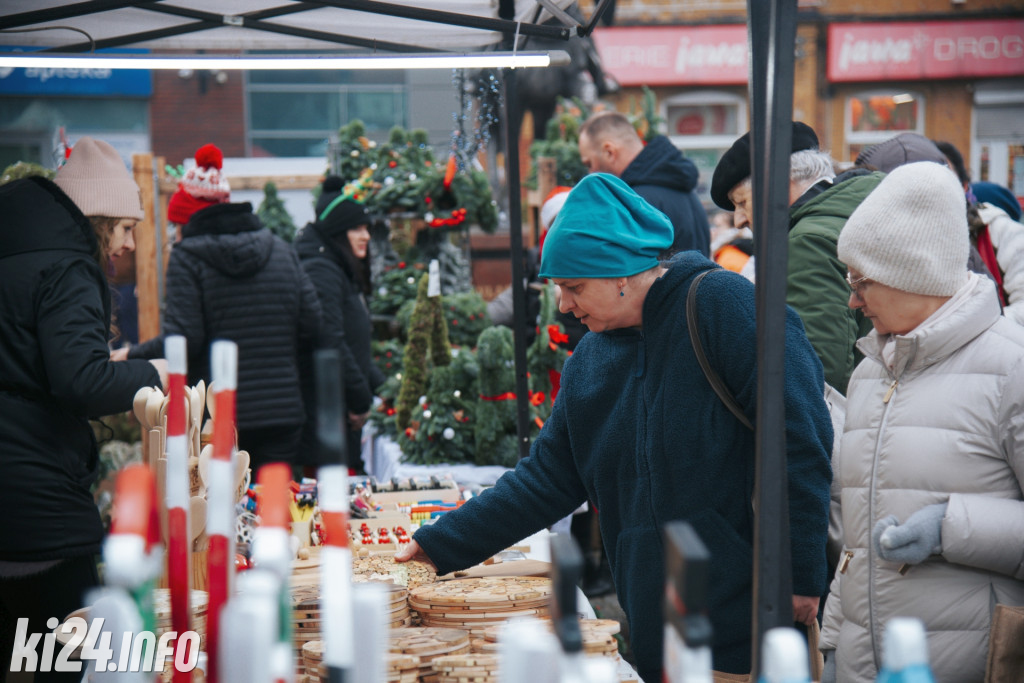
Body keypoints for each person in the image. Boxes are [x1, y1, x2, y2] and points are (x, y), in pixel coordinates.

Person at [395, 173, 833, 682]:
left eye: (573, 287)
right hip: (652, 620)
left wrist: (802, 571)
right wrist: (439, 543)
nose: (563, 305)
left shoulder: (725, 308)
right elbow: (548, 478)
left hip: (749, 617)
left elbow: (798, 439)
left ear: (621, 272)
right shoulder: (591, 359)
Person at [820, 162, 1024, 682]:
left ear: (916, 272)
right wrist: (832, 643)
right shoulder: (869, 372)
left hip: (970, 665)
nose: (852, 299)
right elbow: (856, 543)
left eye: (862, 280)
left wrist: (949, 528)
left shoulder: (1011, 370)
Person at [0, 137, 167, 681]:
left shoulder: (17, 249)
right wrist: (153, 374)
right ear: (96, 220)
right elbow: (81, 381)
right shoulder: (68, 266)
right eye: (122, 227)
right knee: (71, 652)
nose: (125, 244)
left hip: (15, 485)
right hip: (36, 498)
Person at [128, 144, 321, 471]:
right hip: (282, 415)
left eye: (176, 224)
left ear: (188, 221)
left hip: (218, 418)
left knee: (223, 515)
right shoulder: (280, 249)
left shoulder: (187, 259)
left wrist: (133, 354)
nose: (175, 234)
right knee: (273, 510)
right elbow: (314, 325)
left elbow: (183, 341)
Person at [710, 121, 882, 394]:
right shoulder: (862, 210)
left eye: (742, 202)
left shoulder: (806, 241)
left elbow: (818, 370)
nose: (739, 220)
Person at [294, 176, 384, 473]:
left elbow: (353, 342)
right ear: (337, 233)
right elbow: (330, 339)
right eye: (357, 228)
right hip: (329, 415)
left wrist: (381, 386)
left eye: (367, 228)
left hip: (338, 409)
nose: (366, 236)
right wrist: (360, 399)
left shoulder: (337, 269)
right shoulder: (322, 271)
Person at [578, 110, 710, 257]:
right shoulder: (683, 187)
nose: (590, 172)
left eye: (589, 163)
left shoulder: (634, 201)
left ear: (609, 152)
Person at [933, 140, 1024, 326]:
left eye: (945, 177)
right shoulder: (907, 242)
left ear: (964, 186)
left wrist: (963, 328)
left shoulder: (1000, 232)